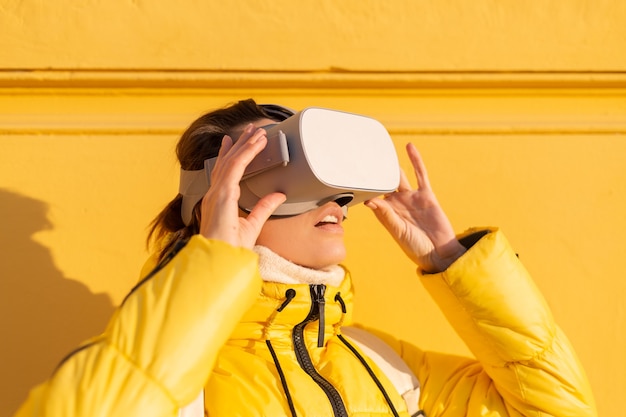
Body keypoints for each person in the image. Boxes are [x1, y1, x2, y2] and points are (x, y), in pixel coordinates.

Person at [15, 99, 596, 417]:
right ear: (218, 200)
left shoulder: (388, 366)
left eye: (336, 185)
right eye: (292, 176)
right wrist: (212, 264)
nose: (337, 202)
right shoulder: (183, 381)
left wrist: (454, 261)